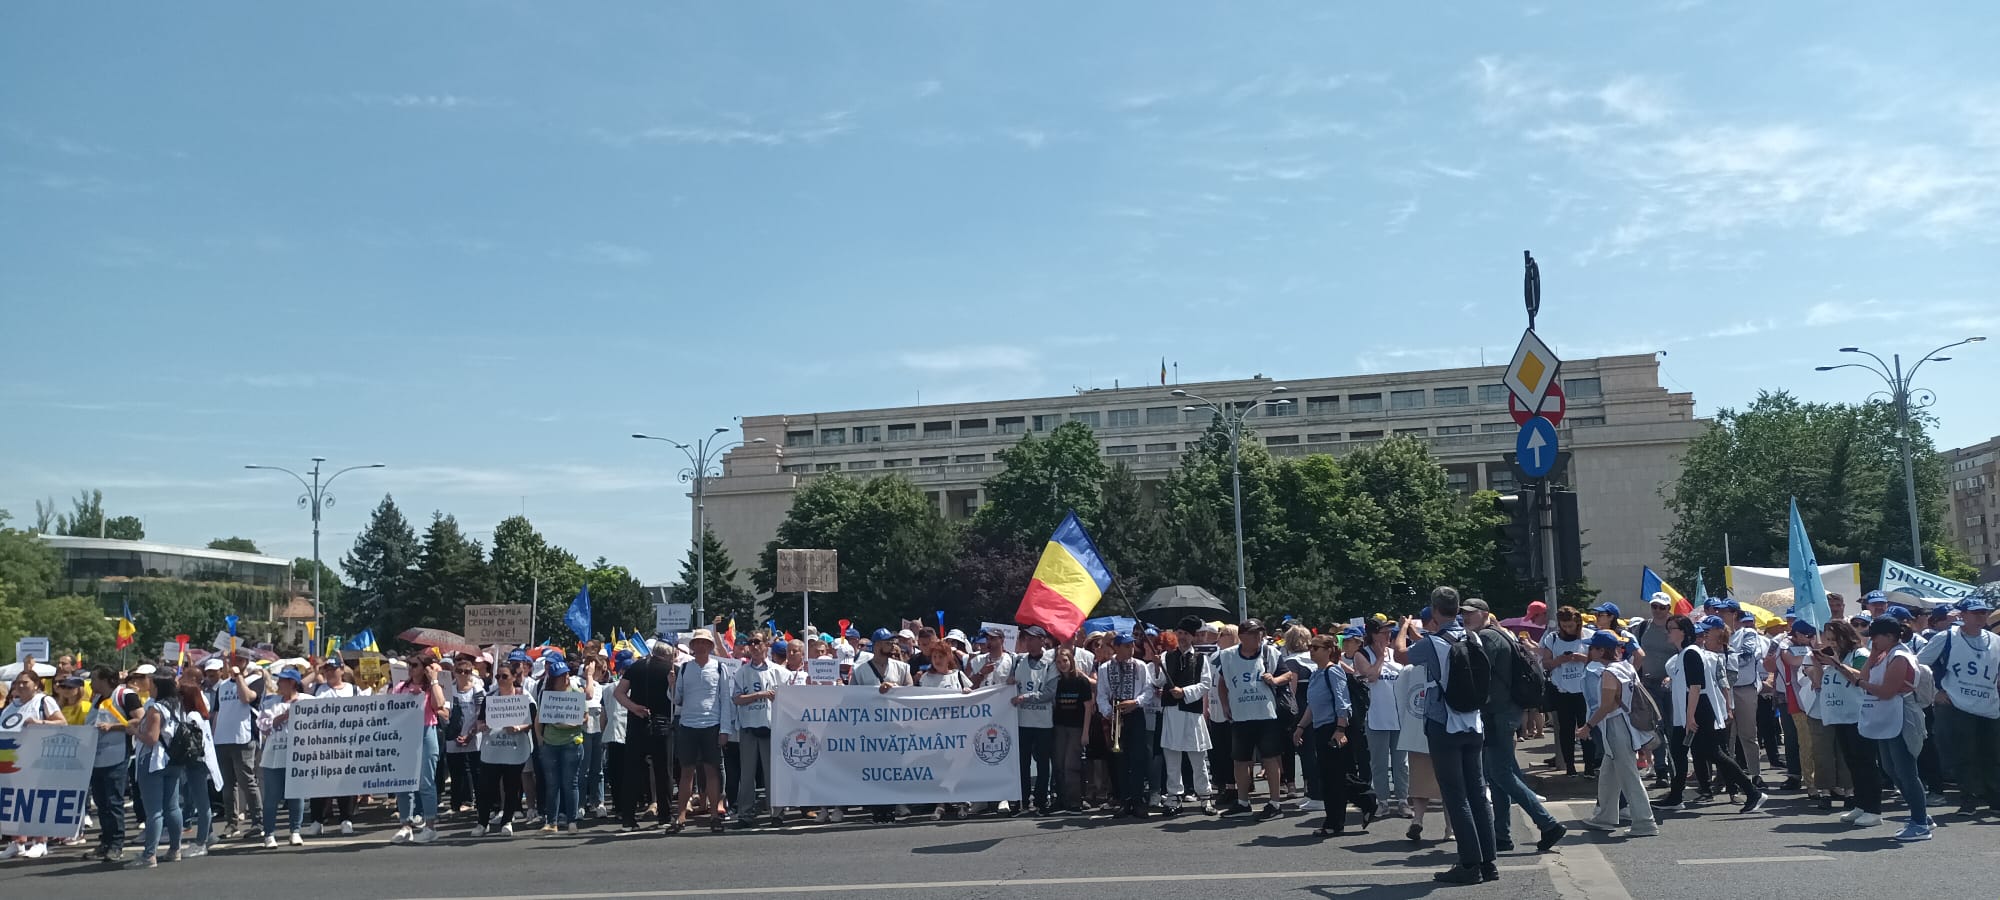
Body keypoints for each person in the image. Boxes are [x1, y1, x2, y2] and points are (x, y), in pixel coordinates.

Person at [1402, 588, 1498, 886]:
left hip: (1444, 724)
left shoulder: (1434, 642)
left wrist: (1406, 627)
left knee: (1456, 796)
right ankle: (1488, 862)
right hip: (1473, 722)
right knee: (1477, 793)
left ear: (1434, 610)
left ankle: (1468, 863)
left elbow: (1400, 653)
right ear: (1458, 608)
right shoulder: (1474, 637)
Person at [1464, 598, 1565, 853]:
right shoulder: (1502, 633)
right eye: (1463, 613)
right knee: (1496, 774)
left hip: (1497, 712)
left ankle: (1548, 823)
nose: (1465, 617)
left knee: (1500, 773)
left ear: (1484, 614)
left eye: (1470, 613)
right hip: (1506, 710)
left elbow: (1479, 673)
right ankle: (1501, 835)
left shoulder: (1487, 638)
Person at [1917, 594, 1998, 816]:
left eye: (1983, 612)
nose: (1981, 617)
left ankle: (1994, 798)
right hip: (1957, 704)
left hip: (1988, 704)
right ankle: (1968, 799)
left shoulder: (1995, 640)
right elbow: (1918, 665)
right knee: (1964, 754)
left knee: (1992, 753)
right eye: (1975, 613)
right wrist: (1935, 692)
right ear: (1962, 615)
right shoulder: (1947, 638)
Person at [1576, 632, 1659, 836]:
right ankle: (1605, 815)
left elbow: (1607, 705)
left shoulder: (1609, 673)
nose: (1590, 650)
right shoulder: (1626, 666)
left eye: (1593, 647)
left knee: (1628, 775)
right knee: (1609, 772)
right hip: (1624, 724)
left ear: (1601, 650)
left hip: (1616, 725)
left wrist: (1587, 726)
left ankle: (1645, 821)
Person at [1856, 618, 1931, 841]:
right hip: (1887, 717)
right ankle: (1921, 816)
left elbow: (1886, 691)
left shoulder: (1900, 657)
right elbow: (1865, 675)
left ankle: (1919, 822)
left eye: (1875, 637)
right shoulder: (1883, 655)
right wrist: (1870, 658)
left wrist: (1861, 685)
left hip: (1903, 718)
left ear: (1889, 636)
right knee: (1890, 768)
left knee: (1906, 771)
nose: (1872, 641)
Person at [1684, 616, 1766, 813]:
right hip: (1710, 706)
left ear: (1719, 632)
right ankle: (1716, 786)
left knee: (1721, 750)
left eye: (1707, 631)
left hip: (1717, 707)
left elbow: (1725, 683)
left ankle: (1742, 788)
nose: (1702, 635)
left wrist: (1727, 708)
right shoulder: (1701, 653)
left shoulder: (1727, 654)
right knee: (1714, 750)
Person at [1213, 618, 1292, 820]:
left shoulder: (1270, 652)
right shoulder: (1228, 656)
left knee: (1270, 759)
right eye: (1253, 633)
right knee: (1240, 760)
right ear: (1242, 636)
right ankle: (1242, 801)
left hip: (1266, 714)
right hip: (1240, 715)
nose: (1258, 636)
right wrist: (1224, 705)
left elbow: (1287, 675)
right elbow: (1222, 683)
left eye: (1260, 632)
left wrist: (1274, 680)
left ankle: (1275, 803)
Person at [1810, 619, 1876, 824]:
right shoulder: (1835, 658)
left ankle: (1874, 809)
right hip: (1839, 716)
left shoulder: (1858, 655)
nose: (1830, 643)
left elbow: (1861, 678)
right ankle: (1860, 805)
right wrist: (1817, 663)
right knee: (1852, 764)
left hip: (1857, 717)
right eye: (1828, 639)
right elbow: (1819, 683)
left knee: (1865, 764)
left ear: (1845, 637)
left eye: (1834, 639)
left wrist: (1836, 664)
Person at [1295, 634, 1359, 836]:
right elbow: (1312, 706)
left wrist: (1340, 730)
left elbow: (1343, 702)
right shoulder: (1316, 674)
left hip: (1333, 728)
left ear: (1328, 650)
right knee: (1329, 776)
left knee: (1334, 778)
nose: (1311, 650)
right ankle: (1365, 802)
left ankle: (1334, 823)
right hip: (1320, 728)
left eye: (1316, 647)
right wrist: (1300, 727)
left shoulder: (1334, 671)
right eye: (1310, 647)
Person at [122, 673, 188, 868]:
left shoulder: (155, 708)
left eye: (151, 684)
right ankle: (175, 849)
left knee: (155, 811)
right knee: (173, 806)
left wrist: (135, 731)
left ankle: (149, 855)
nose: (148, 687)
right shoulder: (178, 706)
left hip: (154, 761)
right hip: (174, 760)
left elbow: (151, 738)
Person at [613, 637, 678, 832]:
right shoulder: (671, 670)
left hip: (636, 723)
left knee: (632, 771)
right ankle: (664, 816)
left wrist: (634, 708)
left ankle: (628, 818)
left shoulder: (635, 667)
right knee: (663, 771)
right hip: (661, 723)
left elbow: (619, 693)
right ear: (668, 655)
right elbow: (676, 697)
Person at [672, 628, 733, 833]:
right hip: (688, 725)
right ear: (692, 646)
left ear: (709, 646)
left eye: (704, 643)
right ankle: (681, 815)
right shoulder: (684, 668)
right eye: (697, 643)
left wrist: (725, 729)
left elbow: (726, 700)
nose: (700, 646)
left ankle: (714, 815)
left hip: (712, 725)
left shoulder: (719, 668)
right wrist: (671, 685)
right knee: (686, 772)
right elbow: (677, 699)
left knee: (711, 771)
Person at [1, 664, 64, 860]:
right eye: (17, 683)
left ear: (36, 685)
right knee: (12, 801)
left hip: (37, 757)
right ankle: (17, 841)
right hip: (11, 758)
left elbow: (62, 723)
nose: (20, 686)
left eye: (24, 683)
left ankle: (40, 841)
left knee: (35, 800)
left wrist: (40, 723)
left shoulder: (44, 701)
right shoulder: (12, 705)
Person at [1156, 618, 1214, 817]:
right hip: (1172, 713)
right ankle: (1174, 797)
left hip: (1191, 714)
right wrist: (1155, 666)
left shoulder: (1200, 658)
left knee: (1198, 758)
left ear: (1192, 636)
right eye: (1179, 633)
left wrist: (1185, 692)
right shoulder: (1166, 656)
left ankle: (1205, 797)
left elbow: (1205, 683)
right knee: (1172, 757)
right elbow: (1158, 681)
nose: (1181, 637)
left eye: (1185, 634)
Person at [1097, 632, 1158, 819]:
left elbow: (1148, 690)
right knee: (1120, 760)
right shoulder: (1105, 668)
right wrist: (1109, 712)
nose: (1130, 649)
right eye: (1126, 646)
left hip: (1135, 713)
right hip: (1116, 714)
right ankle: (1125, 800)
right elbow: (1101, 694)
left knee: (1138, 759)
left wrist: (1136, 703)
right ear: (1116, 647)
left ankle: (1138, 800)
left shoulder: (1140, 666)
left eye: (1131, 645)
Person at [85, 666, 142, 862]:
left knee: (113, 801)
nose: (91, 683)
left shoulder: (125, 696)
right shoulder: (97, 699)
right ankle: (105, 841)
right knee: (101, 803)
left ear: (106, 679)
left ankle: (117, 844)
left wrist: (113, 727)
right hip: (97, 757)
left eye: (94, 678)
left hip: (117, 755)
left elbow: (140, 720)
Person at [730, 630, 787, 827]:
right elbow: (737, 699)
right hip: (749, 728)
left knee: (772, 773)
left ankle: (776, 812)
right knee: (747, 775)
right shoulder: (742, 672)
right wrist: (759, 695)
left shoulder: (778, 671)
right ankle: (745, 813)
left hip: (771, 727)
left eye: (757, 642)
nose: (754, 646)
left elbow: (792, 693)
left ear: (766, 646)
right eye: (751, 642)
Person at [1353, 618, 1409, 816]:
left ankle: (1403, 800)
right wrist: (1378, 658)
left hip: (1399, 716)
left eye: (1390, 632)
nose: (1388, 636)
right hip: (1377, 716)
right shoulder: (1362, 655)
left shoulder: (1395, 654)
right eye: (1383, 632)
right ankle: (1383, 801)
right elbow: (1371, 676)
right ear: (1372, 634)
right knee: (1379, 762)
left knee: (1401, 763)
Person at [390, 652, 447, 844]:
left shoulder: (430, 688)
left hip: (425, 732)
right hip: (405, 735)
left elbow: (439, 704)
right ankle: (405, 824)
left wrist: (433, 680)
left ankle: (430, 826)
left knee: (425, 782)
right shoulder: (400, 687)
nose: (410, 668)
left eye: (414, 665)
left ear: (424, 668)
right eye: (409, 665)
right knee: (403, 782)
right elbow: (391, 710)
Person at [211, 651, 264, 841]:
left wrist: (239, 677)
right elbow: (216, 712)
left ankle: (258, 821)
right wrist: (213, 736)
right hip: (223, 738)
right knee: (228, 784)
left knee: (247, 780)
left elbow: (246, 698)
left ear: (246, 662)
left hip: (243, 737)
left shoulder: (255, 679)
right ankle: (231, 823)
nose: (236, 663)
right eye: (234, 660)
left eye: (240, 660)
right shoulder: (222, 686)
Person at [476, 663, 534, 836]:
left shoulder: (524, 696)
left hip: (514, 749)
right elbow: (480, 720)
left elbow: (532, 720)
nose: (500, 680)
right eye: (498, 677)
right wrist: (482, 726)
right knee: (486, 788)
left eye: (504, 676)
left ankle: (507, 821)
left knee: (512, 787)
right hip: (493, 748)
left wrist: (519, 727)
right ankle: (482, 822)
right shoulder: (490, 698)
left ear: (514, 677)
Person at [1539, 606, 1597, 776]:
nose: (1568, 629)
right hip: (1562, 690)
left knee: (1586, 728)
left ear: (1578, 623)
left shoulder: (1589, 636)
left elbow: (1598, 661)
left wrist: (1582, 659)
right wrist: (1560, 660)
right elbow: (1546, 663)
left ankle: (1589, 766)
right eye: (1564, 626)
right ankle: (1569, 766)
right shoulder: (1553, 638)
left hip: (1584, 691)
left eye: (1571, 626)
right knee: (1565, 729)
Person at [256, 668, 308, 848]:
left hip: (298, 757)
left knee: (296, 795)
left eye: (283, 681)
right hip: (273, 757)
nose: (278, 684)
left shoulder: (307, 701)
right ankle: (269, 834)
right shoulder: (271, 701)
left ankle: (295, 831)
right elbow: (263, 726)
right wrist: (285, 716)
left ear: (292, 682)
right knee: (271, 797)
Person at [1010, 625, 1058, 816]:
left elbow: (1049, 693)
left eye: (1032, 639)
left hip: (1043, 722)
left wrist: (1026, 697)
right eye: (1026, 639)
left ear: (1042, 640)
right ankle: (1022, 799)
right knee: (1021, 763)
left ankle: (1040, 800)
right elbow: (1011, 684)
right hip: (1022, 722)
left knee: (1043, 763)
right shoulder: (1019, 660)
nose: (1028, 642)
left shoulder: (1050, 662)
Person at [309, 657, 360, 835]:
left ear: (342, 670)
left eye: (333, 669)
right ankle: (317, 820)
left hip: (346, 743)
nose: (330, 672)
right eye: (327, 669)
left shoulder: (353, 690)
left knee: (345, 783)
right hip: (322, 743)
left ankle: (346, 819)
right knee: (320, 784)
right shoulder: (317, 690)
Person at [1720, 602, 1769, 787]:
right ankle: (1730, 777)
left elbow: (1747, 657)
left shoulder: (1747, 633)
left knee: (1748, 734)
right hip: (1725, 689)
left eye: (1724, 611)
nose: (1721, 614)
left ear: (1734, 614)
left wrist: (1722, 659)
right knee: (1727, 736)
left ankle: (1756, 774)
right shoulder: (1718, 635)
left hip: (1744, 688)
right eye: (1719, 611)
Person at [1632, 593, 1678, 787]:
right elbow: (1634, 654)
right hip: (1649, 684)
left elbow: (1683, 653)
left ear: (1669, 609)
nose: (1658, 610)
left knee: (1674, 728)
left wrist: (1672, 675)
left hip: (1672, 685)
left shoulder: (1675, 628)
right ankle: (1661, 770)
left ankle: (1677, 768)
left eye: (1662, 607)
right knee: (1656, 729)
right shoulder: (1643, 628)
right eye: (1655, 606)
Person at [536, 659, 587, 833]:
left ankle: (572, 820)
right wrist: (540, 739)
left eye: (566, 674)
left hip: (571, 743)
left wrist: (575, 722)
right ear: (553, 678)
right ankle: (552, 822)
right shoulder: (546, 695)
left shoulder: (576, 692)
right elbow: (539, 719)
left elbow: (585, 716)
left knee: (570, 783)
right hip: (550, 743)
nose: (565, 677)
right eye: (560, 675)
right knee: (552, 784)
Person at [1050, 645, 1094, 815]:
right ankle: (1061, 799)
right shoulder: (1058, 682)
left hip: (1076, 728)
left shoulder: (1081, 681)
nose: (1062, 664)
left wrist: (1085, 732)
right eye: (1059, 662)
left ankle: (1075, 801)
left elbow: (1088, 707)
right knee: (1059, 764)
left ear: (1071, 661)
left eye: (1065, 661)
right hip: (1060, 727)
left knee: (1071, 765)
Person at [444, 658, 484, 819]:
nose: (462, 675)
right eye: (459, 671)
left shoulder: (477, 690)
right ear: (454, 673)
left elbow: (481, 714)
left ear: (471, 673)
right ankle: (454, 804)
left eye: (466, 672)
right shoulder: (448, 689)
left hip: (473, 737)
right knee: (456, 772)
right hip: (453, 736)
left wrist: (470, 734)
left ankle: (474, 803)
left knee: (475, 772)